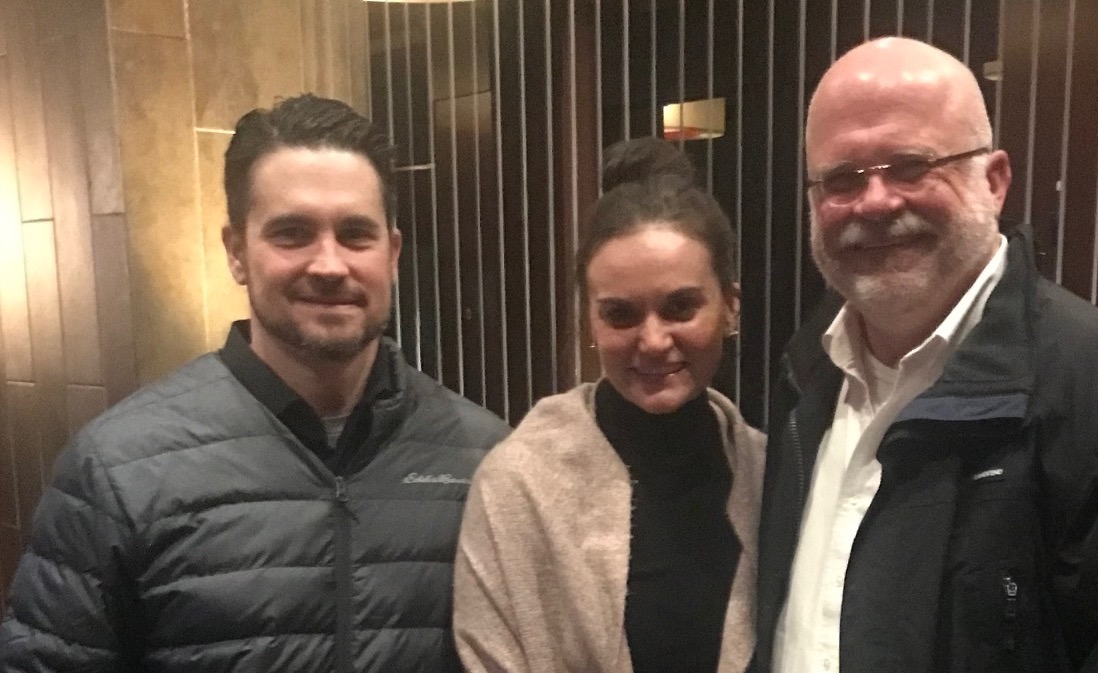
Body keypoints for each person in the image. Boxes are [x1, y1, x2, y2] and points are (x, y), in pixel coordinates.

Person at [0, 94, 509, 672]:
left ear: (391, 254)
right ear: (237, 251)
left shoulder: (484, 460)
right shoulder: (119, 469)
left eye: (355, 234)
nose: (329, 264)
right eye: (292, 233)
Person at [756, 36, 1098, 673]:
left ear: (994, 181)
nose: (875, 202)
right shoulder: (806, 379)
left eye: (910, 166)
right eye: (843, 179)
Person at [454, 137, 765, 673]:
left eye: (680, 307)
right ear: (591, 324)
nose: (653, 341)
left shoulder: (772, 476)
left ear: (730, 307)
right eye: (621, 314)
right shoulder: (517, 485)